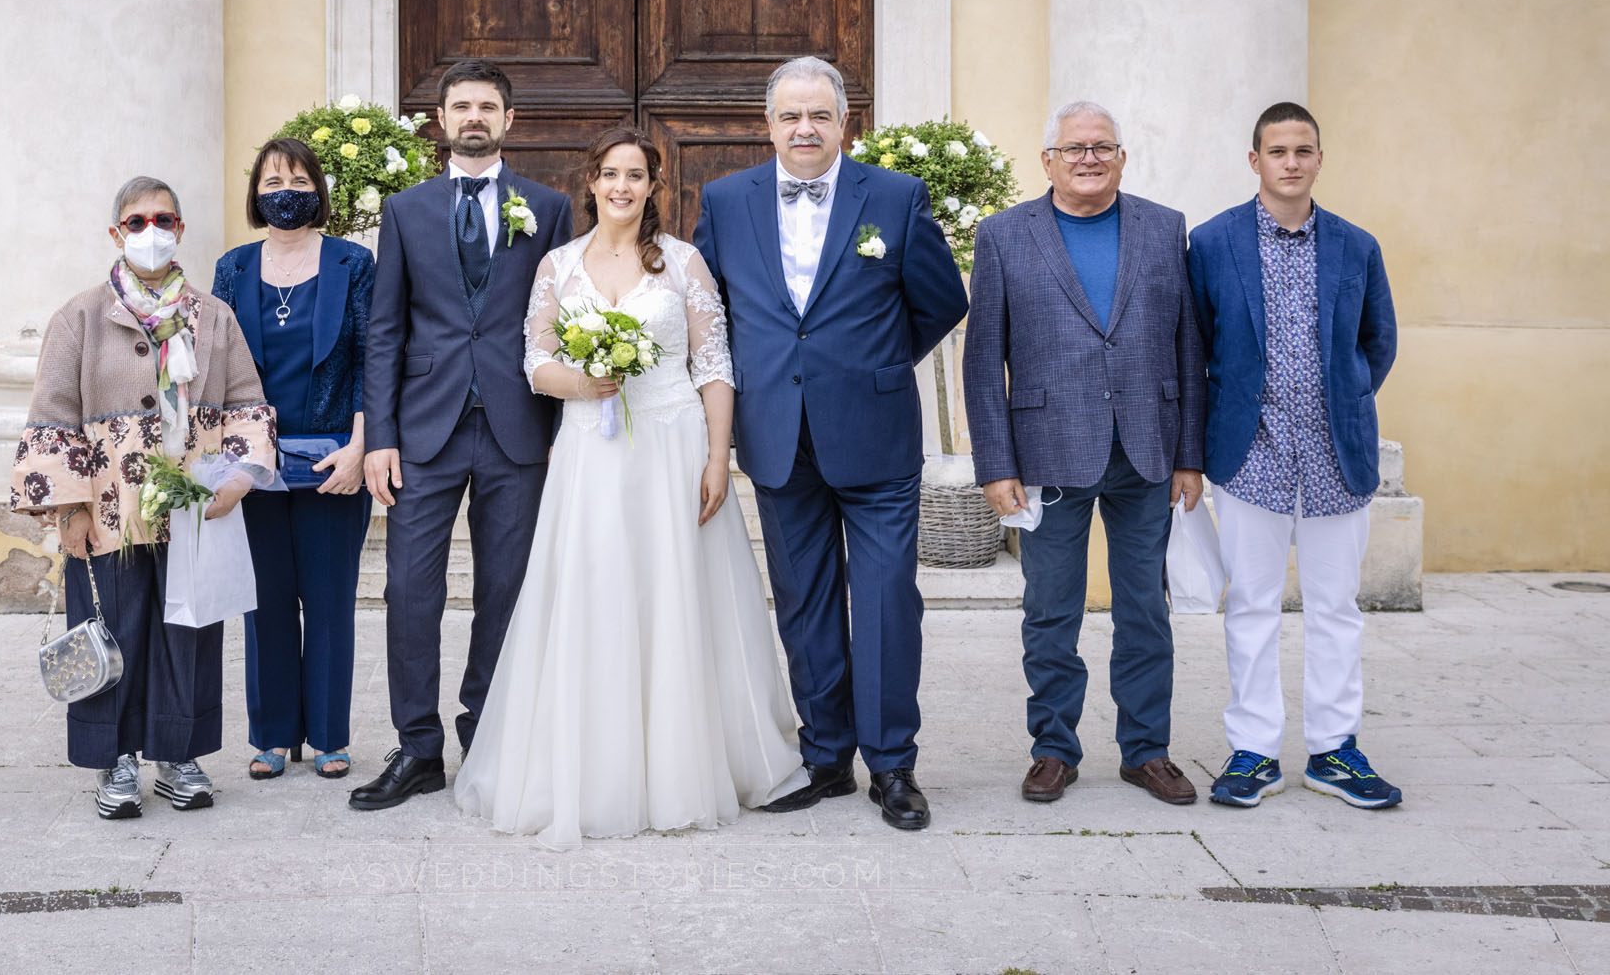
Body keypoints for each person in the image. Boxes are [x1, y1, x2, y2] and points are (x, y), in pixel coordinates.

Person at [454, 129, 806, 847]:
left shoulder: (683, 264)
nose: (622, 186)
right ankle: (596, 767)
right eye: (610, 174)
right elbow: (534, 361)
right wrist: (580, 382)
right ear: (590, 182)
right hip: (590, 452)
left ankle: (684, 764)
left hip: (672, 446)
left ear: (653, 187)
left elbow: (713, 364)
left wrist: (716, 460)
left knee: (677, 596)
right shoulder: (557, 265)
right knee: (596, 595)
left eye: (636, 176)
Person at [692, 56, 967, 832]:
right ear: (768, 124)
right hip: (777, 434)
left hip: (875, 435)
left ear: (845, 123)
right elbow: (707, 312)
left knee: (884, 601)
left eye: (820, 116)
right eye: (790, 116)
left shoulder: (897, 196)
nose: (805, 129)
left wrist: (871, 367)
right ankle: (825, 757)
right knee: (805, 601)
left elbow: (940, 303)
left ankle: (893, 766)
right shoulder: (724, 200)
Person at [963, 102, 1207, 807]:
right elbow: (984, 364)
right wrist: (996, 464)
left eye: (1103, 147)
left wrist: (1189, 453)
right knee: (1050, 612)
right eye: (1074, 148)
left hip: (1147, 451)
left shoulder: (1165, 229)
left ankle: (1146, 751)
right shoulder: (1004, 236)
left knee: (1144, 609)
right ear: (1048, 160)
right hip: (1046, 454)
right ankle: (1053, 750)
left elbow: (1188, 346)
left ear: (1123, 157)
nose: (1090, 158)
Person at [11, 176, 276, 819]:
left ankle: (178, 754)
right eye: (136, 221)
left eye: (162, 219)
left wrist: (239, 479)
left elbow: (247, 403)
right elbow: (52, 417)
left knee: (187, 632)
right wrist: (69, 510)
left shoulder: (213, 318)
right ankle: (116, 761)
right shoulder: (78, 317)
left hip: (193, 511)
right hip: (109, 512)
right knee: (115, 629)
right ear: (115, 233)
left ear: (180, 230)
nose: (149, 231)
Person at [352, 60, 574, 810]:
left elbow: (566, 326)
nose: (473, 118)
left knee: (504, 592)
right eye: (460, 107)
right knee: (409, 590)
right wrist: (379, 434)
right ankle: (418, 748)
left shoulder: (548, 208)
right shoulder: (405, 210)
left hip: (519, 429)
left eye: (487, 107)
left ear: (509, 120)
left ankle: (489, 734)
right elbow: (383, 331)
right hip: (424, 430)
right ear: (441, 121)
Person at [1188, 102, 1401, 810]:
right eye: (1276, 151)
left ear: (1318, 159)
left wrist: (1343, 399)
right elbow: (1197, 345)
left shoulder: (1356, 246)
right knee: (1251, 604)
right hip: (1250, 455)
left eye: (1303, 151)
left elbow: (1379, 342)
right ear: (1255, 161)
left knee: (1336, 607)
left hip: (1337, 455)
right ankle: (1253, 751)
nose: (1290, 162)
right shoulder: (1214, 243)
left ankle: (1335, 750)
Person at [212, 137, 375, 782]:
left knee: (330, 598)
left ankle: (331, 735)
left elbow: (370, 358)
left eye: (301, 180)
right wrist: (228, 461)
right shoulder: (233, 267)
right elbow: (219, 366)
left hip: (335, 458)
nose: (288, 191)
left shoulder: (353, 263)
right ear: (256, 192)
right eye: (275, 180)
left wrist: (362, 447)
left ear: (319, 192)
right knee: (267, 599)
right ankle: (273, 734)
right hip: (254, 463)